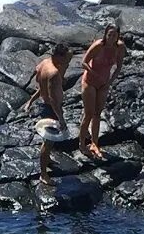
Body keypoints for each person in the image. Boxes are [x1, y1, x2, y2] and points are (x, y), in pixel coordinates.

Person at [79, 25, 125, 157]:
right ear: (105, 35)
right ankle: (82, 144)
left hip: (104, 84)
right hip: (90, 82)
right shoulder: (98, 45)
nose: (111, 38)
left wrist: (109, 82)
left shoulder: (120, 47)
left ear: (118, 36)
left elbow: (119, 67)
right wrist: (93, 73)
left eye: (114, 35)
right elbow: (84, 62)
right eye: (109, 35)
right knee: (89, 113)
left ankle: (94, 143)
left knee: (97, 114)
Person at [29, 41, 71, 181]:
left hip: (45, 105)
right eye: (65, 58)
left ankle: (47, 161)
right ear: (59, 57)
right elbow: (53, 99)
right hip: (51, 109)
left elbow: (39, 81)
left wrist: (31, 100)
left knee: (49, 141)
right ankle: (43, 174)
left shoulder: (45, 63)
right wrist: (61, 118)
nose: (67, 61)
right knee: (47, 143)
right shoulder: (53, 73)